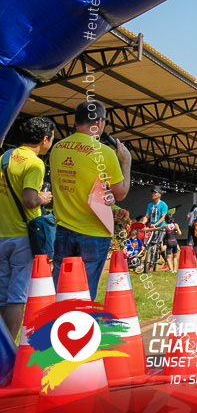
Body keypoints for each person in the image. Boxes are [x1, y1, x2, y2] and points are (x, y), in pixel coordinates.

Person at [49, 100, 131, 298]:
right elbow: (120, 193)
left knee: (60, 289)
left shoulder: (57, 148)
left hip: (63, 229)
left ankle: (54, 325)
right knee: (85, 291)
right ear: (100, 122)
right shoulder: (105, 153)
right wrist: (126, 162)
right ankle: (80, 326)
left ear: (76, 121)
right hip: (94, 232)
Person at [0, 117, 54, 337]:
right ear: (44, 139)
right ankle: (7, 354)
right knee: (16, 297)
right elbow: (30, 200)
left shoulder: (4, 157)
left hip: (2, 234)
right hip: (23, 237)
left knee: (2, 295)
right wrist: (44, 197)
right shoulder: (35, 163)